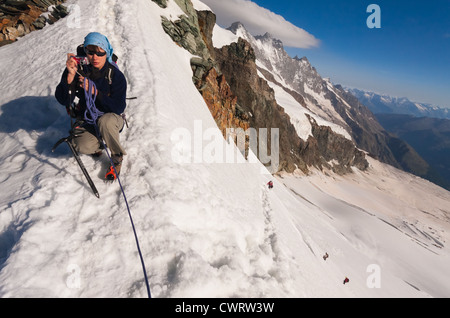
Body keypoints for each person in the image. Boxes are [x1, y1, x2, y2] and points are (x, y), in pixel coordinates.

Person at [55, 32, 127, 180]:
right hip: (88, 118)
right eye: (91, 52)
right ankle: (99, 143)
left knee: (105, 122)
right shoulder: (78, 70)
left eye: (100, 53)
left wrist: (95, 93)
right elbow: (64, 100)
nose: (95, 57)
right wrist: (69, 77)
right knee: (81, 145)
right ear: (85, 51)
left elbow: (118, 107)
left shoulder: (115, 75)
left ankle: (117, 156)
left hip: (111, 118)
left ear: (106, 53)